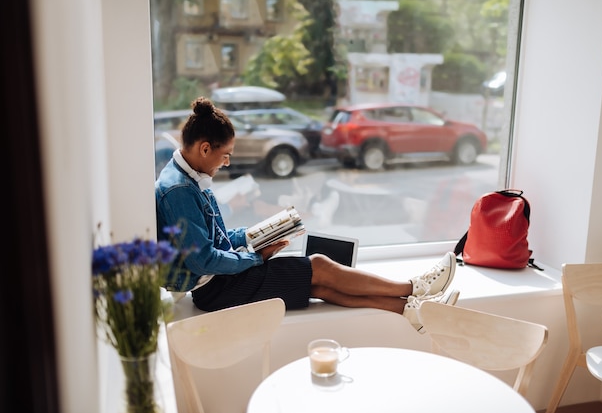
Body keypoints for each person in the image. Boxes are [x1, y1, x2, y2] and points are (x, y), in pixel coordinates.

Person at [155, 96, 460, 333]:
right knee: (319, 266)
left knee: (319, 285)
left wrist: (259, 233)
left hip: (220, 282)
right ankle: (415, 286)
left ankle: (413, 311)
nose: (227, 164)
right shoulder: (180, 190)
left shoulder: (191, 177)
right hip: (216, 288)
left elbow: (215, 239)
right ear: (205, 149)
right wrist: (256, 258)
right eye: (225, 156)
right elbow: (202, 260)